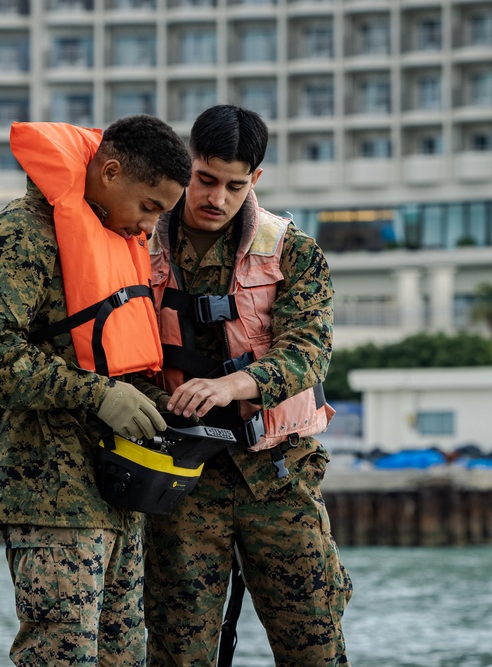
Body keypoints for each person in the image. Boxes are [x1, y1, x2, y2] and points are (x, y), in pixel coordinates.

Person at [0, 115, 192, 666]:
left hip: (118, 491)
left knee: (123, 657)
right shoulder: (23, 234)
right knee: (60, 655)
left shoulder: (113, 241)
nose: (150, 226)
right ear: (110, 172)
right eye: (149, 207)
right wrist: (97, 396)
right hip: (48, 490)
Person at [142, 104, 352, 666]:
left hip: (278, 474)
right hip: (181, 478)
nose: (216, 198)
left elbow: (309, 352)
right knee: (177, 650)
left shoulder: (293, 250)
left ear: (255, 179)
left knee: (314, 645)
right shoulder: (139, 243)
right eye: (205, 180)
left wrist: (235, 385)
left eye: (234, 186)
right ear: (187, 165)